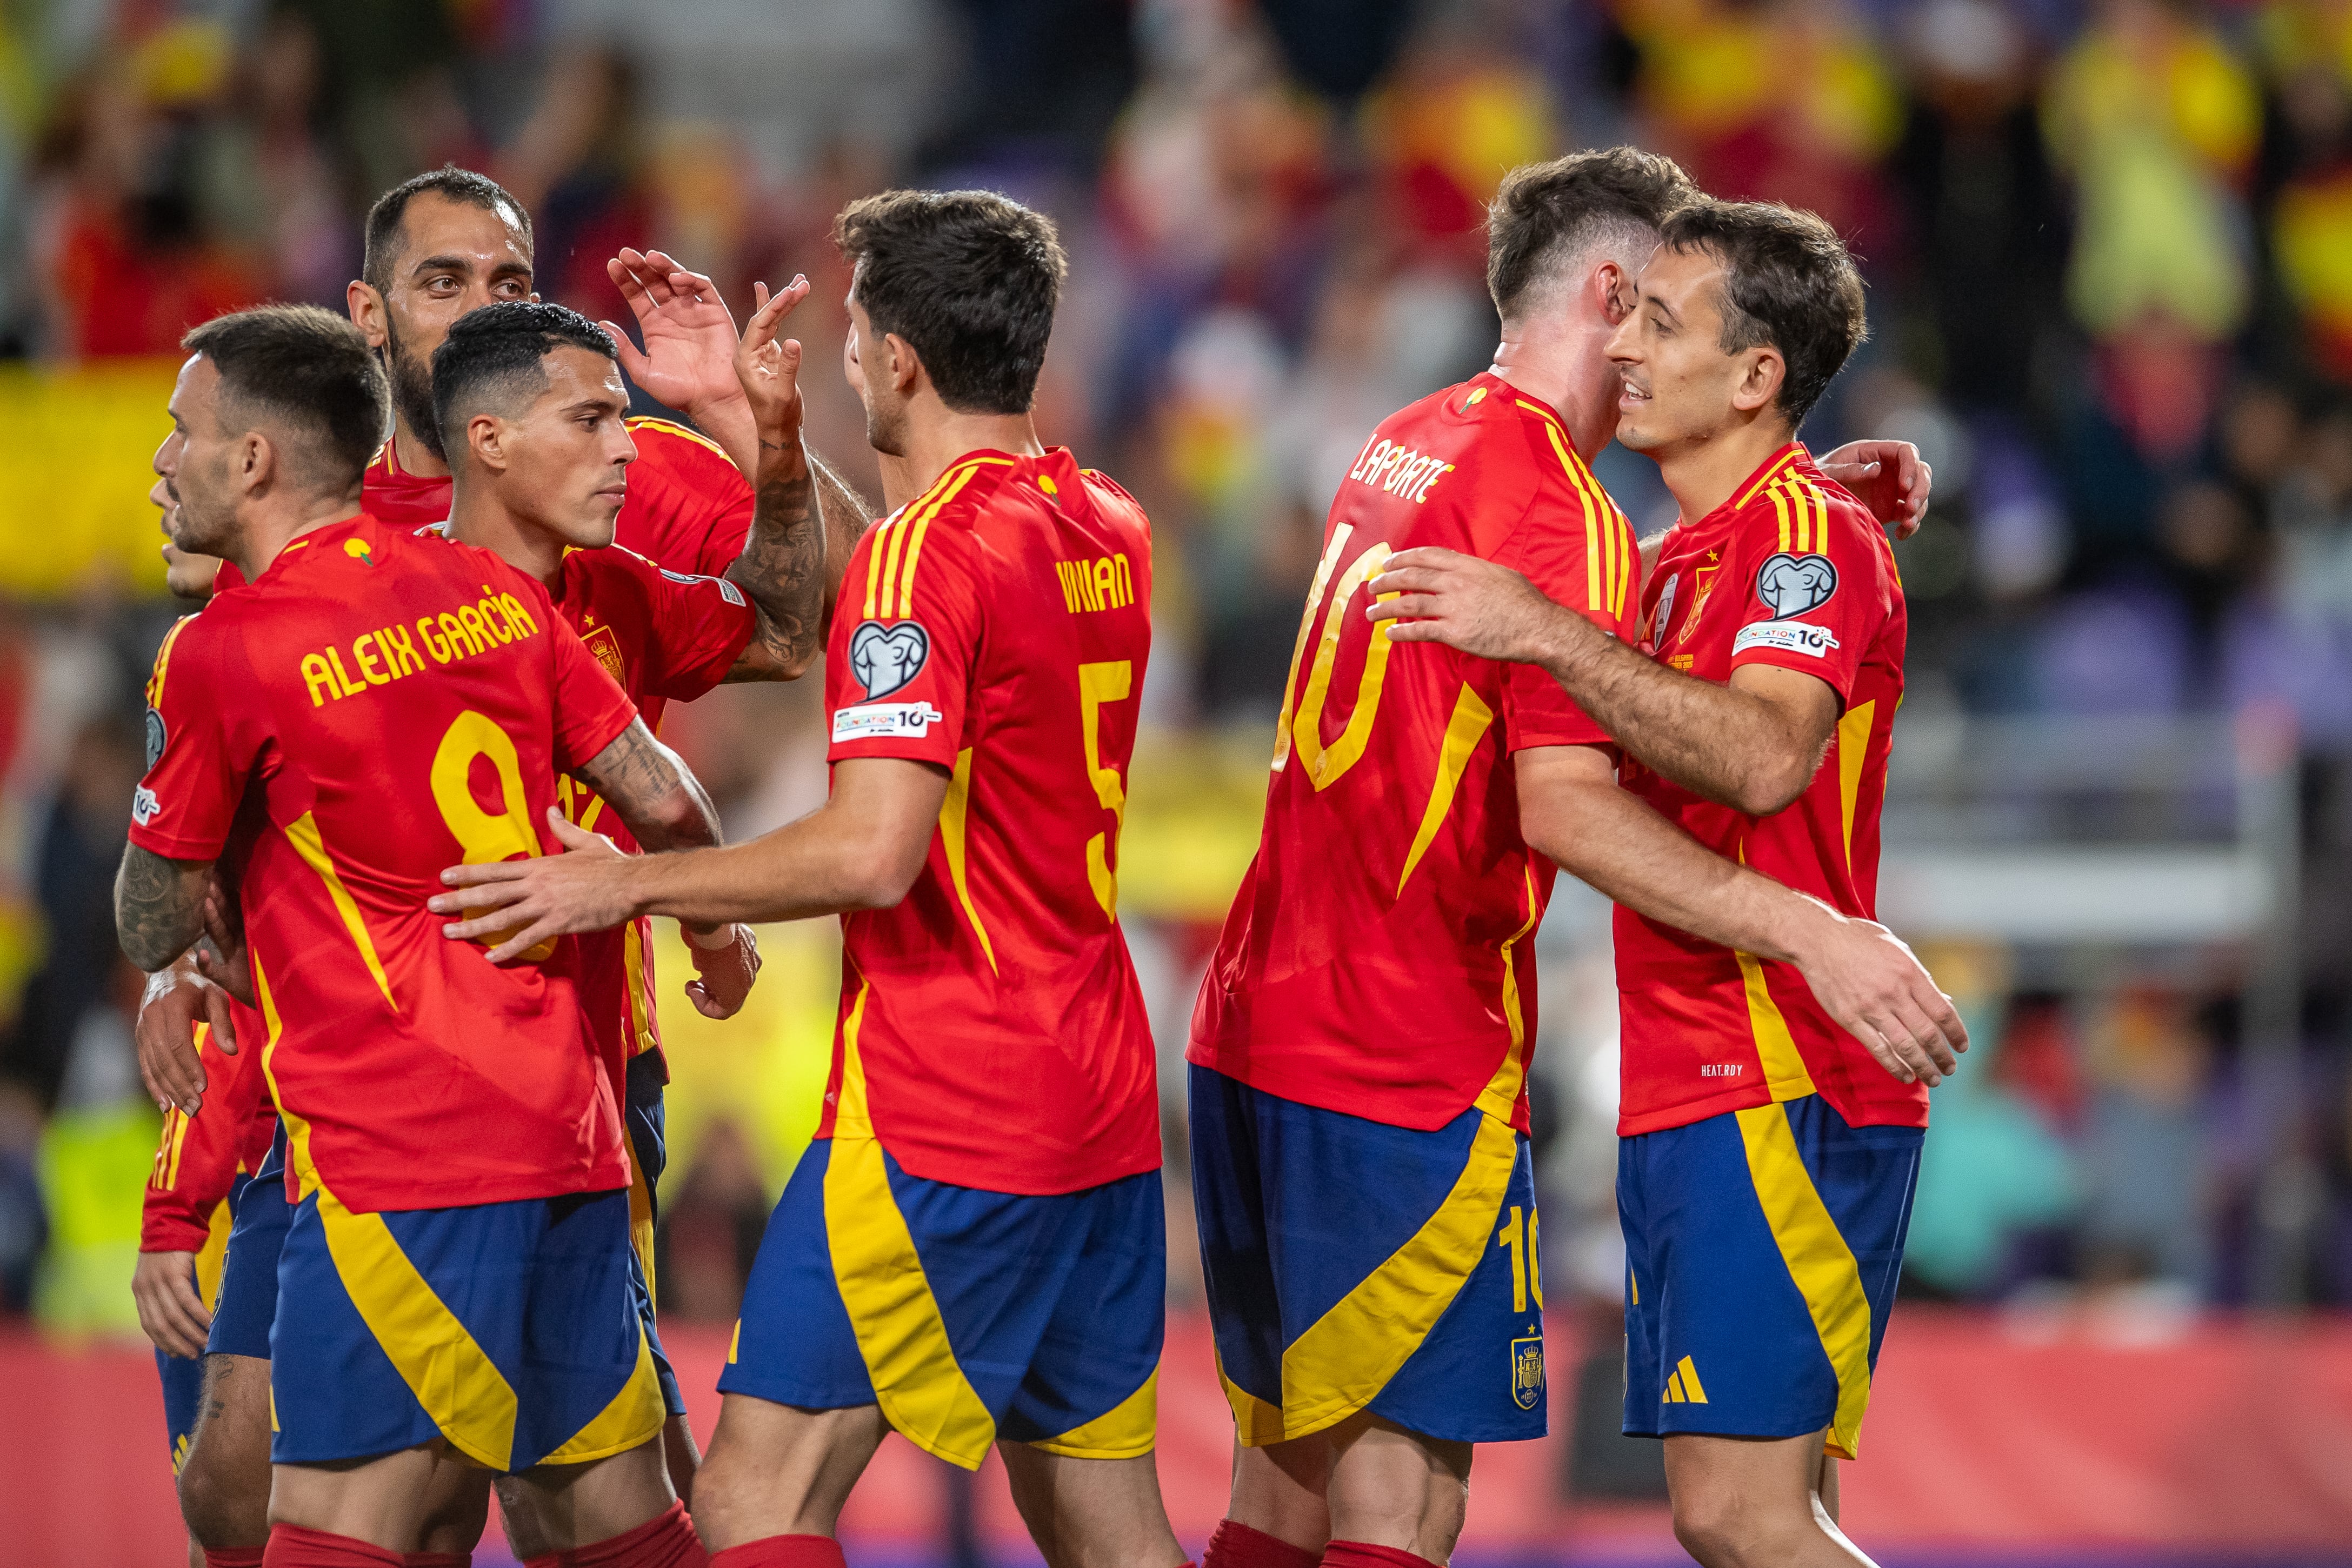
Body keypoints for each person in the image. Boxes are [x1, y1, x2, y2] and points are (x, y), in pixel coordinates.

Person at [1181, 148, 1962, 1568]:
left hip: (1744, 1069)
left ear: (1749, 372)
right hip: (1426, 1045)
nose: (1635, 341)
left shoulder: (1412, 436)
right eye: (1642, 309)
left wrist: (1799, 503)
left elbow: (1761, 745)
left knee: (1717, 1511)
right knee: (1388, 1500)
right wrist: (1780, 501)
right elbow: (1580, 784)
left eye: (1670, 321)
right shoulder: (1608, 531)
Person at [427, 189, 1187, 1568]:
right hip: (1099, 1086)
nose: (842, 362)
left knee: (754, 1501)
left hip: (947, 1098)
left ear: (897, 359)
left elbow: (873, 848)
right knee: (1105, 1516)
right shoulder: (1103, 517)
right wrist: (739, 414)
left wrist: (630, 889)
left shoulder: (923, 553)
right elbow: (901, 580)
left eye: (851, 338)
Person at [116, 303, 718, 1567]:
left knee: (343, 1525)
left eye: (183, 433)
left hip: (404, 1153)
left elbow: (155, 913)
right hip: (570, 1134)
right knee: (613, 1523)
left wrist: (205, 901)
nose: (163, 461)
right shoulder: (490, 590)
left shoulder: (223, 649)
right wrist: (714, 941)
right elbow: (666, 799)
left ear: (255, 461)